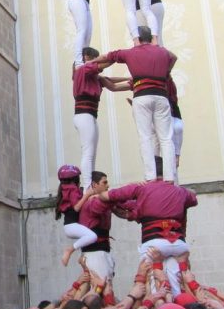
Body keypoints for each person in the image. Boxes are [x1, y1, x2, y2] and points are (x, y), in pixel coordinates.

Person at [96, 160, 197, 295]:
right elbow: (193, 196)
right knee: (176, 287)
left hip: (154, 243)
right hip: (179, 245)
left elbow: (105, 196)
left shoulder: (141, 188)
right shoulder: (180, 191)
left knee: (152, 286)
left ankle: (159, 308)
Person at [91, 26, 178, 182]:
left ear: (136, 37)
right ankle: (169, 176)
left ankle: (150, 176)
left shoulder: (130, 52)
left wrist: (89, 63)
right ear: (151, 38)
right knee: (166, 138)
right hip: (160, 96)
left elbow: (107, 56)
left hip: (141, 96)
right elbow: (174, 57)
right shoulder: (162, 52)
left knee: (145, 137)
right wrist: (166, 72)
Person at [72, 46, 131, 189]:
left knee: (92, 152)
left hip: (90, 115)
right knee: (88, 152)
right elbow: (100, 65)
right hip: (84, 114)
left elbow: (110, 81)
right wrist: (115, 56)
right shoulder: (82, 70)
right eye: (94, 59)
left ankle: (90, 184)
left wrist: (130, 79)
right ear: (86, 58)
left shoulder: (94, 77)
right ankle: (87, 187)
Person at [65, 0, 118, 67]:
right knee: (82, 30)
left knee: (88, 33)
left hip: (84, 2)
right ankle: (79, 61)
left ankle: (84, 59)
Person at [57, 168, 110, 266]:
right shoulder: (72, 189)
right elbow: (77, 207)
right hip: (71, 226)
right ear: (75, 179)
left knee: (89, 237)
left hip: (70, 226)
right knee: (92, 236)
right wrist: (88, 195)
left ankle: (81, 257)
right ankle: (70, 250)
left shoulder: (66, 190)